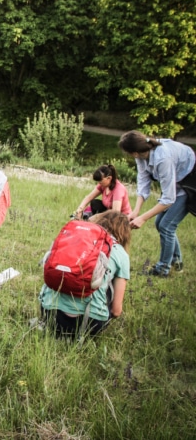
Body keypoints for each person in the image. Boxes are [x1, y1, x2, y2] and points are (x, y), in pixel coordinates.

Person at [39, 211, 131, 338]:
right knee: (107, 284)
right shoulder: (121, 254)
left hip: (50, 313)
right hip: (91, 323)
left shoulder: (74, 239)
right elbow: (116, 311)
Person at [119, 130, 195, 277]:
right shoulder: (141, 156)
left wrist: (143, 218)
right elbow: (143, 182)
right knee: (160, 223)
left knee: (167, 225)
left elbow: (168, 199)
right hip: (177, 181)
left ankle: (162, 269)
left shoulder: (162, 158)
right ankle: (176, 261)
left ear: (134, 152)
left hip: (190, 181)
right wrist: (136, 211)